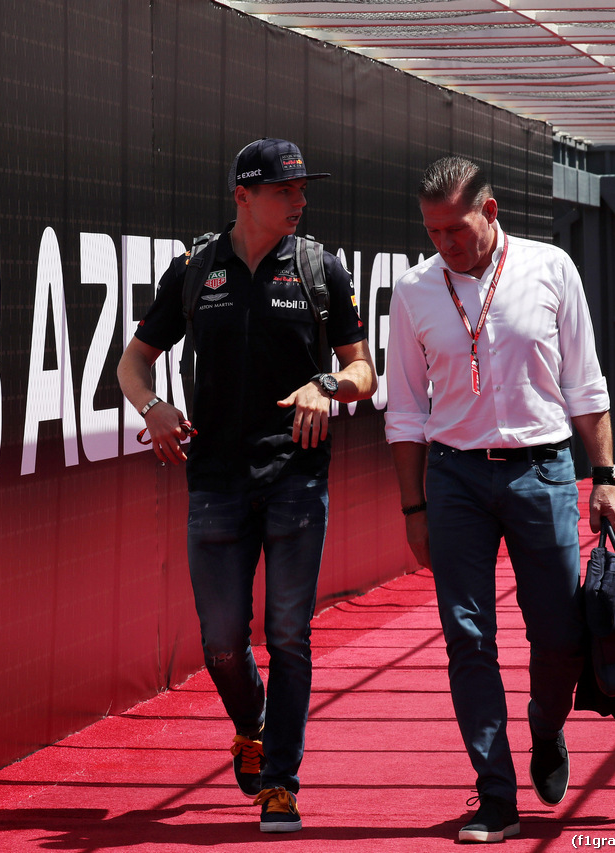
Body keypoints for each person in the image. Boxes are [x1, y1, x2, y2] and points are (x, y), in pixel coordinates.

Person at [117, 138, 376, 833]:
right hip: (215, 481)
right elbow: (133, 364)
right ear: (243, 196)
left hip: (296, 477)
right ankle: (252, 724)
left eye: (302, 190)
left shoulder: (322, 267)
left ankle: (282, 782)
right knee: (222, 643)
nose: (299, 201)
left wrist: (327, 386)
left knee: (289, 633)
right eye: (284, 190)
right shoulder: (196, 269)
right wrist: (155, 407)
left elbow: (363, 371)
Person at [384, 156, 615, 843]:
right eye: (432, 233)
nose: (444, 246)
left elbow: (586, 383)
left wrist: (604, 475)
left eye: (455, 230)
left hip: (541, 470)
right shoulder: (414, 291)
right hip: (454, 478)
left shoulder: (550, 269)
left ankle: (545, 727)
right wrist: (413, 509)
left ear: (489, 213)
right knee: (468, 637)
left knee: (557, 632)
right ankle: (495, 793)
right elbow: (404, 411)